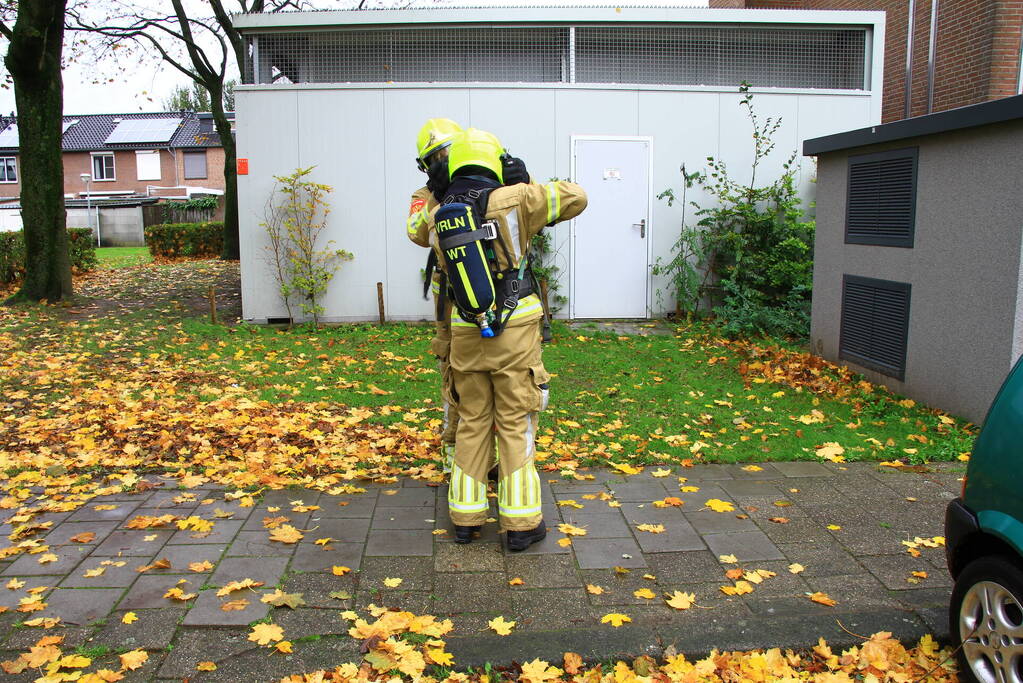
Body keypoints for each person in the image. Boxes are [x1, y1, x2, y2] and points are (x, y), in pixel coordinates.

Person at [432, 128, 587, 551]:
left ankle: (465, 520)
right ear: (496, 162)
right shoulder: (518, 198)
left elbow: (422, 242)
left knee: (472, 421)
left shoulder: (439, 212)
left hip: (465, 330)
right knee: (516, 423)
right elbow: (577, 197)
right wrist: (524, 178)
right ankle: (521, 525)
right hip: (514, 329)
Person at [406, 118, 463, 473]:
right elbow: (416, 233)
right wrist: (438, 197)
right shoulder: (424, 196)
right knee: (453, 371)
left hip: (493, 295)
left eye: (448, 152)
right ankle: (454, 449)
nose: (443, 161)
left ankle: (496, 451)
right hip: (449, 300)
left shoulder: (486, 182)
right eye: (435, 158)